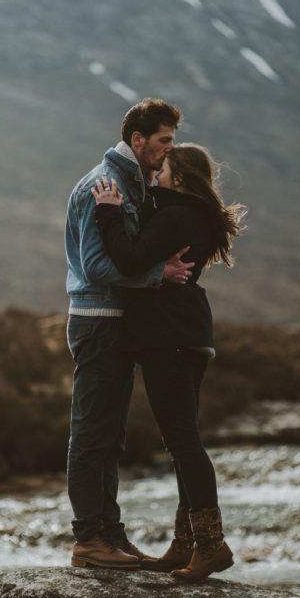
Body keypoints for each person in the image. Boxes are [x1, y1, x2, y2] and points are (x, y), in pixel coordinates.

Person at [92, 143, 246, 582]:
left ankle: (211, 545)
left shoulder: (176, 216)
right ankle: (185, 545)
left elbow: (129, 257)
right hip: (189, 336)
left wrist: (108, 212)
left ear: (180, 176)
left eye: (164, 167)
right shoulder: (190, 213)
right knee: (183, 440)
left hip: (169, 339)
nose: (156, 170)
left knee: (183, 443)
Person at [65, 98, 194, 570]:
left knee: (111, 436)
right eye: (163, 141)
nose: (168, 151)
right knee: (91, 433)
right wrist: (157, 274)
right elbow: (98, 265)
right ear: (137, 139)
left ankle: (111, 534)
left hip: (117, 323)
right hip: (97, 321)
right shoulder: (103, 184)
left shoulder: (132, 183)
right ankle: (87, 539)